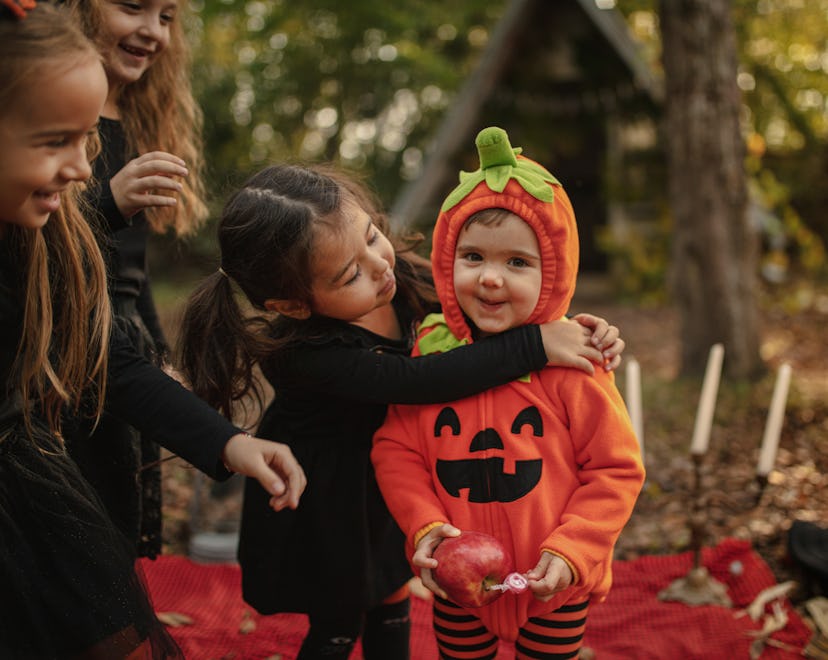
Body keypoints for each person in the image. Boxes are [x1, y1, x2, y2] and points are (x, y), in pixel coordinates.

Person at [177, 161, 625, 659]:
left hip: (396, 479)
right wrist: (536, 345)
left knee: (392, 601)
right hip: (331, 496)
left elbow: (482, 306)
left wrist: (574, 329)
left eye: (372, 236)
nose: (379, 265)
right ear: (294, 305)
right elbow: (419, 381)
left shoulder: (400, 277)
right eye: (351, 274)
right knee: (341, 618)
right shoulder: (306, 355)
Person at [0, 4, 304, 657]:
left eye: (88, 141)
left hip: (29, 484)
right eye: (57, 141)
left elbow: (99, 355)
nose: (84, 167)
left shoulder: (45, 242)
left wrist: (226, 443)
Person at [371, 127, 646, 659]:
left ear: (554, 273)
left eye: (517, 263)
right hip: (459, 584)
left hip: (554, 585)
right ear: (448, 263)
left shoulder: (573, 364)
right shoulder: (430, 356)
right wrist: (424, 525)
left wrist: (573, 551)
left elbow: (615, 470)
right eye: (473, 257)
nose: (491, 279)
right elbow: (396, 451)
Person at [59, 0, 208, 557]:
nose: (154, 32)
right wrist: (109, 202)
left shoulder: (136, 118)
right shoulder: (51, 116)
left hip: (124, 351)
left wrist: (163, 362)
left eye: (167, 17)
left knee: (116, 528)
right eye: (132, 7)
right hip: (67, 349)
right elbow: (36, 249)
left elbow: (131, 271)